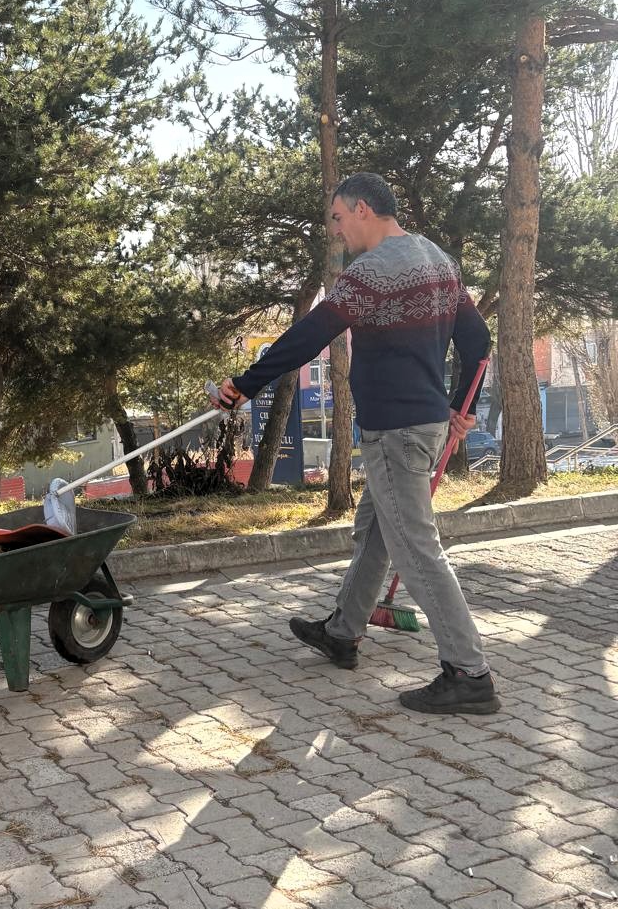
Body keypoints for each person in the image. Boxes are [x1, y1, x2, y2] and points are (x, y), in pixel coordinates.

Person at [212, 173, 497, 716]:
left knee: (416, 548)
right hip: (423, 424)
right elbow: (478, 339)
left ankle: (469, 673)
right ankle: (342, 632)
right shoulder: (437, 259)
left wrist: (244, 385)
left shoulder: (372, 271)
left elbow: (309, 335)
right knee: (376, 534)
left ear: (362, 209)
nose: (337, 231)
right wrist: (461, 408)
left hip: (395, 431)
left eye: (338, 219)